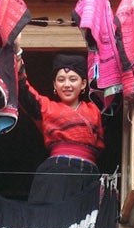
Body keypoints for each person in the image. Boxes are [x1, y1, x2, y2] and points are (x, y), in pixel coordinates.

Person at [14, 36, 105, 204]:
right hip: (54, 176)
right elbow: (22, 89)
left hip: (88, 175)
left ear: (83, 84)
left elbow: (114, 90)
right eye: (61, 80)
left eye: (73, 79)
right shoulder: (46, 107)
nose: (67, 85)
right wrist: (17, 52)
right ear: (55, 85)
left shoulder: (97, 110)